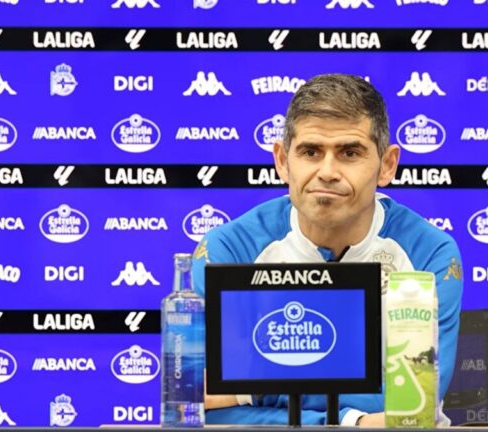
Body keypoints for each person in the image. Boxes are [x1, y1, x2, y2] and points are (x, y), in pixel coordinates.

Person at [192, 74, 463, 427]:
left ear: (387, 165)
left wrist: (249, 389)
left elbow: (411, 406)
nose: (328, 172)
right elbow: (202, 406)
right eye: (310, 152)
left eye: (350, 153)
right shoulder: (228, 250)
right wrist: (356, 421)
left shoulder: (429, 253)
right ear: (282, 161)